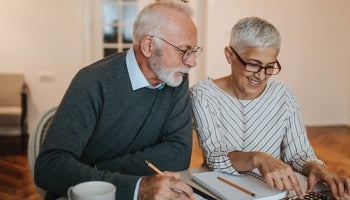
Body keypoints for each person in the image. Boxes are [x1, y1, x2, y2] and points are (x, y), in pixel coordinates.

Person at [34, 1, 203, 199]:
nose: (192, 62)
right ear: (149, 46)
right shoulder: (92, 81)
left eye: (193, 51)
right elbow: (50, 166)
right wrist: (136, 187)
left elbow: (178, 153)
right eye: (184, 51)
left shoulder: (175, 78)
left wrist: (98, 170)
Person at [191, 17, 350, 199]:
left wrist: (315, 167)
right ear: (230, 55)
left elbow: (299, 153)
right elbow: (216, 157)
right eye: (253, 64)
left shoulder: (283, 94)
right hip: (221, 190)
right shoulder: (204, 94)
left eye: (270, 67)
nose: (261, 76)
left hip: (273, 191)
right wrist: (258, 158)